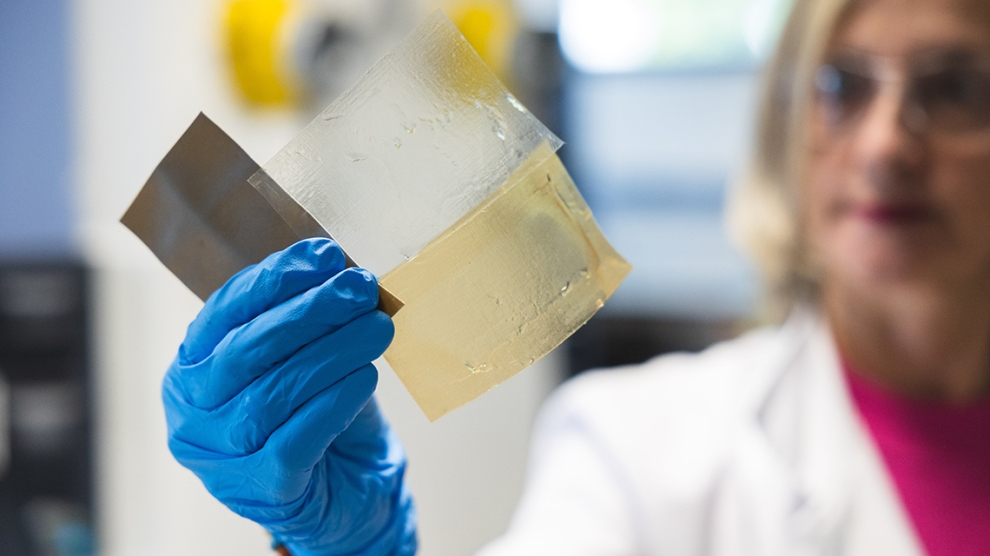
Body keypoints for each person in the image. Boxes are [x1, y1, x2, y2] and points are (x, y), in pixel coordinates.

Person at [160, 0, 990, 553]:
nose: (885, 146)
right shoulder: (639, 452)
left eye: (951, 90)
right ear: (789, 127)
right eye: (840, 86)